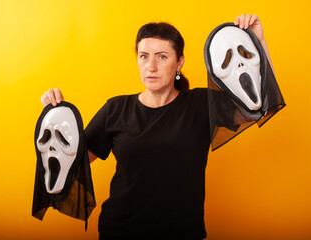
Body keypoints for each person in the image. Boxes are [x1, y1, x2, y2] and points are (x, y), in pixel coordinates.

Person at [41, 14, 273, 240]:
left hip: (182, 233)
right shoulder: (116, 108)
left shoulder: (202, 104)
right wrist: (56, 115)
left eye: (162, 57)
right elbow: (72, 161)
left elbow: (261, 106)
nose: (151, 66)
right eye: (144, 56)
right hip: (120, 231)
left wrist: (258, 43)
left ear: (179, 62)